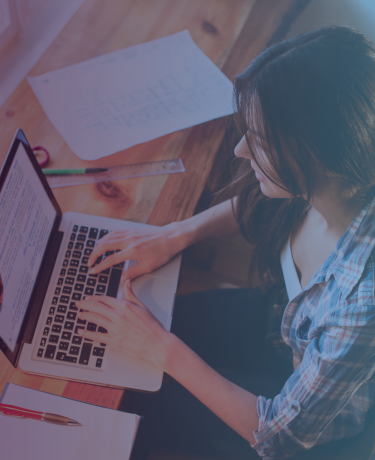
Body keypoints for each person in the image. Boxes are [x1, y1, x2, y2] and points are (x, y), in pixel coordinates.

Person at [77, 26, 375, 459]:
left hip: (298, 422)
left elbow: (278, 434)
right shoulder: (328, 183)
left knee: (131, 412)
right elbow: (255, 202)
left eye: (259, 141)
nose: (239, 150)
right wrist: (172, 235)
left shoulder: (361, 306)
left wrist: (159, 346)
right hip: (275, 320)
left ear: (317, 156)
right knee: (108, 354)